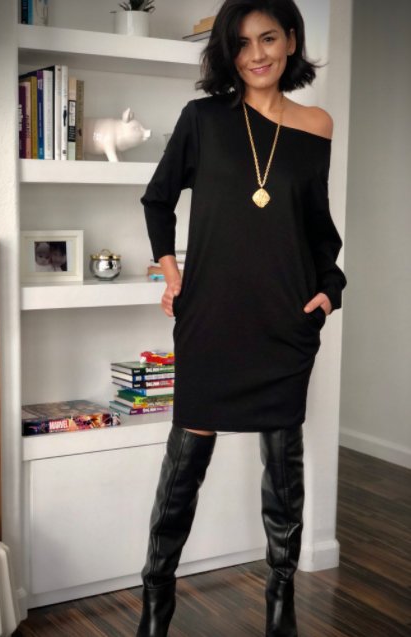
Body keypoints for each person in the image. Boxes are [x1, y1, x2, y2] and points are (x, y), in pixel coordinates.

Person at [137, 0, 347, 635]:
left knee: (284, 472)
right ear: (228, 53)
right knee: (183, 467)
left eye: (269, 38)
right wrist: (170, 270)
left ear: (291, 41)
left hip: (285, 320)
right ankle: (156, 601)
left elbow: (317, 228)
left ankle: (281, 603)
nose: (257, 54)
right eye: (243, 43)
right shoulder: (203, 119)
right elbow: (158, 199)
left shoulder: (317, 125)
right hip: (212, 318)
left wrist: (329, 290)